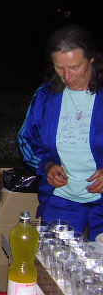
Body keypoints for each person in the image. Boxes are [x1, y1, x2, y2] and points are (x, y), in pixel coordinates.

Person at [19, 24, 103, 240]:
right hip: (62, 197)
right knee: (56, 257)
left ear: (92, 59)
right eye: (60, 68)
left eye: (75, 67)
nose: (67, 76)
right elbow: (26, 140)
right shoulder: (46, 96)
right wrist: (47, 165)